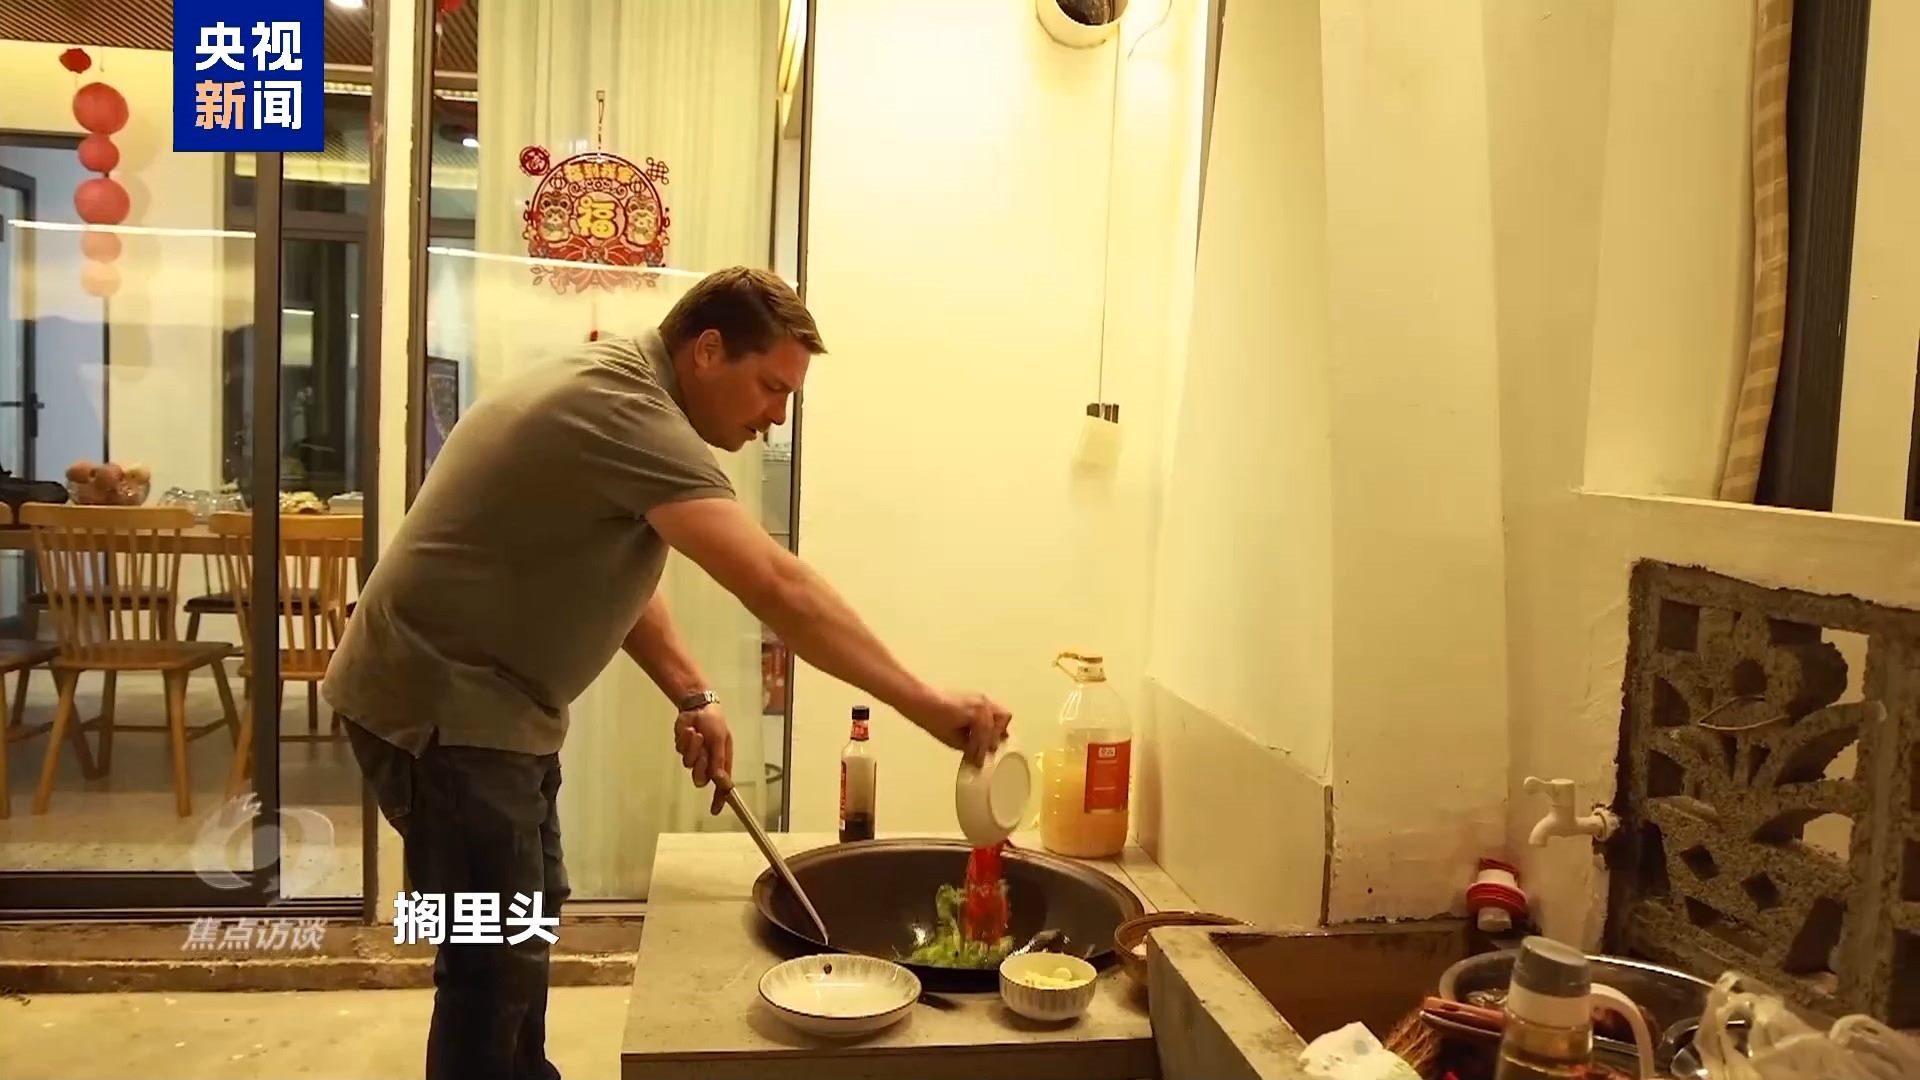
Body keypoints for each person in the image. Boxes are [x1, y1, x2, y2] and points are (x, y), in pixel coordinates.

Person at [321, 267, 1012, 1080]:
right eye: (770, 387)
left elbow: (613, 571)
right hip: (440, 709)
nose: (776, 415)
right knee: (489, 966)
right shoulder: (626, 409)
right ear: (708, 350)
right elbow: (777, 587)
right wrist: (925, 702)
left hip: (493, 709)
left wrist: (693, 692)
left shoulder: (629, 399)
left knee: (523, 926)